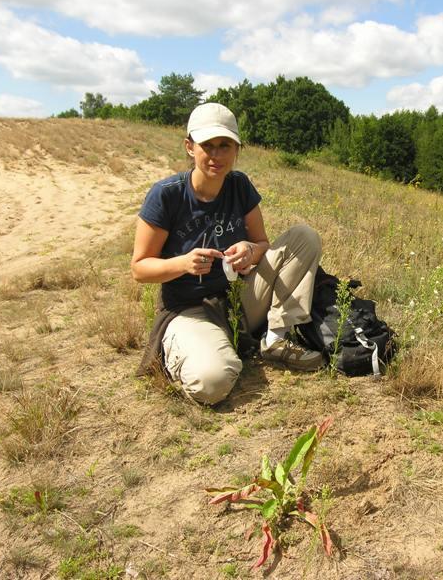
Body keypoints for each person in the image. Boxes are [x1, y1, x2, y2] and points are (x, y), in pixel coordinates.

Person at [132, 102, 323, 405]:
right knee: (212, 383)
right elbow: (139, 269)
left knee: (303, 237)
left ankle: (275, 338)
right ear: (189, 147)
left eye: (225, 145)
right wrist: (184, 263)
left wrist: (250, 250)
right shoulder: (166, 195)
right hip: (189, 309)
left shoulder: (239, 185)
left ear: (237, 149)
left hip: (239, 297)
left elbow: (263, 244)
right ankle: (191, 349)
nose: (216, 155)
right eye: (208, 145)